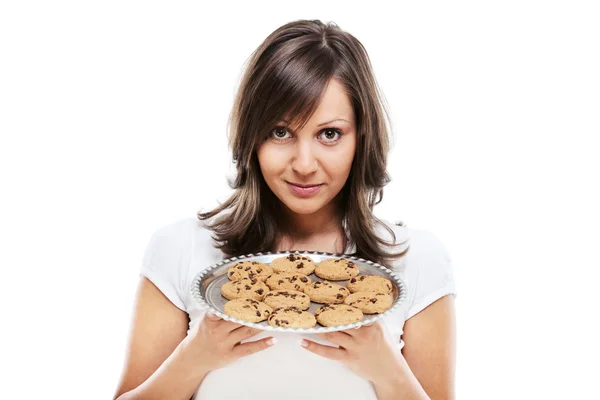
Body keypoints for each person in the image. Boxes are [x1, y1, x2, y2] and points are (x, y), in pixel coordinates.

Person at [113, 19, 456, 400]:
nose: (304, 163)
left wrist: (388, 372)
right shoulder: (180, 249)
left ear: (362, 137)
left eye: (329, 134)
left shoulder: (417, 260)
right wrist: (194, 359)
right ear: (251, 136)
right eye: (280, 132)